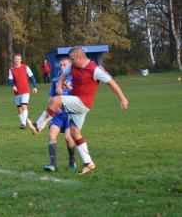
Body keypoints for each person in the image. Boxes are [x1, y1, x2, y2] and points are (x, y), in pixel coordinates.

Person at [27, 46, 128, 175]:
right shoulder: (74, 66)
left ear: (80, 58)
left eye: (73, 59)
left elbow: (111, 82)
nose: (71, 61)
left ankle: (38, 127)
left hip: (83, 102)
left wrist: (122, 98)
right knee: (75, 133)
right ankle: (88, 162)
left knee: (55, 101)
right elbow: (63, 75)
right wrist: (59, 85)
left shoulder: (94, 69)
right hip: (77, 101)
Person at [44, 57, 76, 172]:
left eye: (65, 65)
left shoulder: (76, 79)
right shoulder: (56, 80)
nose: (62, 67)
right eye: (61, 65)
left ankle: (72, 159)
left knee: (68, 138)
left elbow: (80, 97)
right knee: (51, 134)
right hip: (59, 115)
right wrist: (55, 106)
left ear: (70, 65)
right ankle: (53, 165)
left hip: (71, 115)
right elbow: (50, 99)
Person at [8, 54, 37, 129]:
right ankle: (23, 122)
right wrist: (13, 86)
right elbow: (10, 80)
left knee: (24, 106)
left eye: (18, 59)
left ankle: (23, 123)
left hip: (25, 90)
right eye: (15, 59)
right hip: (17, 92)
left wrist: (34, 86)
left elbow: (32, 77)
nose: (17, 60)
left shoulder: (25, 67)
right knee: (19, 109)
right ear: (14, 60)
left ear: (21, 60)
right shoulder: (11, 69)